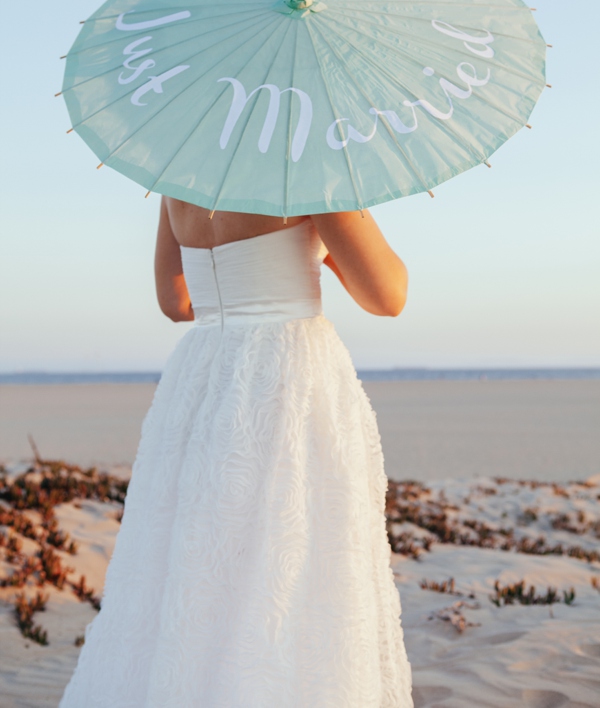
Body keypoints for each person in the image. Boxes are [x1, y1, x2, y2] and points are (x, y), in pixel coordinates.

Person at [60, 200, 414, 708]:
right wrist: (327, 250)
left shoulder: (182, 169)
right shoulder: (307, 164)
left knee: (197, 566)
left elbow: (176, 301)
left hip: (205, 379)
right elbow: (388, 295)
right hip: (284, 380)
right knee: (292, 567)